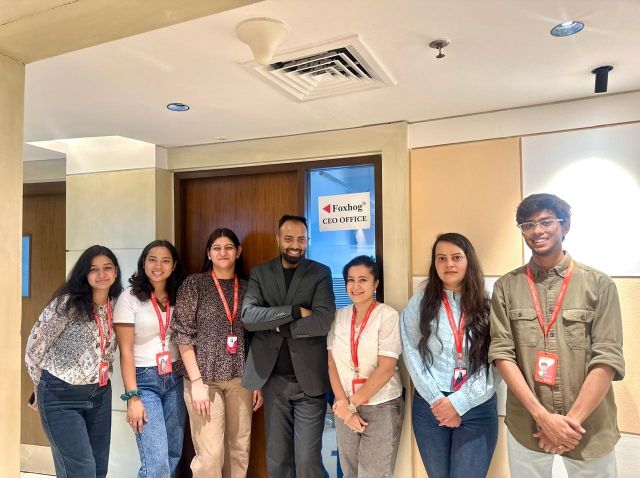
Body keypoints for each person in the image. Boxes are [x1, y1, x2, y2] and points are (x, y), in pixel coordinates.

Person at [489, 193, 625, 477]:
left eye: (546, 222)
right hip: (527, 424)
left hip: (587, 426)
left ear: (565, 227)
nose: (537, 230)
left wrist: (567, 425)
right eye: (528, 225)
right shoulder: (506, 287)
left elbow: (607, 358)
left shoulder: (599, 285)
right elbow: (502, 354)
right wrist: (543, 417)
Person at [241, 214, 336, 478]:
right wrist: (294, 311)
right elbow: (249, 317)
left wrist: (277, 326)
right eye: (289, 238)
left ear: (307, 240)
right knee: (277, 460)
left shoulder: (320, 273)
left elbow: (323, 321)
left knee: (307, 461)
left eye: (301, 239)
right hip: (273, 381)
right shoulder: (261, 273)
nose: (295, 245)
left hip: (310, 382)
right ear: (278, 239)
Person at [401, 233, 500, 478]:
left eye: (456, 257)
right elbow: (411, 352)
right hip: (431, 406)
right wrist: (438, 400)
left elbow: (497, 360)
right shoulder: (420, 302)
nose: (449, 264)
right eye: (441, 258)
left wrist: (458, 403)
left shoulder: (489, 304)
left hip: (477, 407)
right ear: (434, 263)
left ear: (469, 261)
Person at [25, 245, 123, 478]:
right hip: (60, 396)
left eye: (107, 268)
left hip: (100, 395)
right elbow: (34, 349)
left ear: (116, 271)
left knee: (98, 469)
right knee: (81, 471)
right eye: (94, 269)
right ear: (84, 273)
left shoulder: (118, 305)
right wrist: (38, 386)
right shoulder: (66, 305)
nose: (102, 274)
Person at [171, 228, 262, 478]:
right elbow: (183, 336)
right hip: (203, 380)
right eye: (217, 248)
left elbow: (256, 338)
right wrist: (196, 383)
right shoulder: (195, 284)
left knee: (239, 449)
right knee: (210, 456)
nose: (223, 252)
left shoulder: (248, 288)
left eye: (229, 247)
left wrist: (256, 381)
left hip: (241, 380)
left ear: (238, 252)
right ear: (209, 253)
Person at [113, 240, 187, 477]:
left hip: (176, 377)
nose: (158, 266)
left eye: (165, 261)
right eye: (152, 260)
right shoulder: (129, 298)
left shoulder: (180, 295)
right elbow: (125, 351)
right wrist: (132, 397)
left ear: (173, 265)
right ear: (143, 263)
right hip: (144, 381)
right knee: (156, 461)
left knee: (173, 454)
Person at [328, 255, 403, 478]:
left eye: (363, 280)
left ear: (375, 283)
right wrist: (343, 404)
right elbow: (331, 363)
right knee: (350, 472)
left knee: (373, 474)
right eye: (350, 280)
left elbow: (386, 368)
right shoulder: (338, 317)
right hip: (344, 405)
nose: (356, 286)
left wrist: (351, 405)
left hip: (381, 406)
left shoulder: (387, 315)